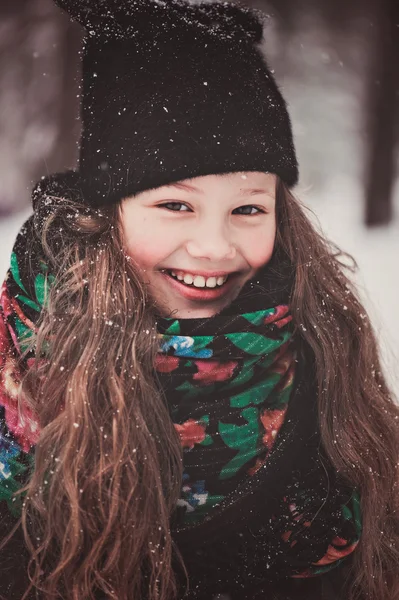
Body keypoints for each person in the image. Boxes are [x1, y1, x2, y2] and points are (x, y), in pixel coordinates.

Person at [0, 0, 398, 599]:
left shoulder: (329, 361)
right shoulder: (24, 371)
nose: (214, 247)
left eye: (248, 209)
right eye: (174, 205)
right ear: (108, 214)